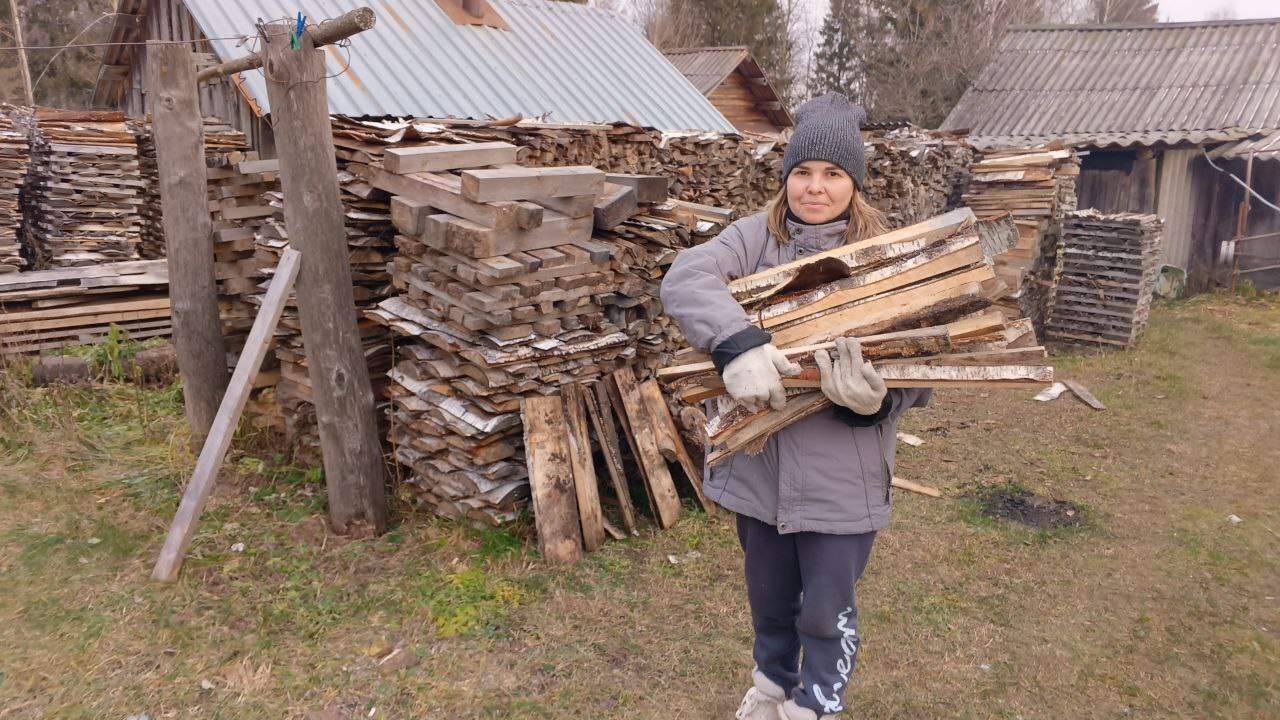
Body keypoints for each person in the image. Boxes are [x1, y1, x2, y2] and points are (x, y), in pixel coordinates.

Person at [659, 92, 933, 720]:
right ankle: (772, 686)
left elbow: (922, 364)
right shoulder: (753, 240)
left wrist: (876, 404)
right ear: (784, 180)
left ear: (854, 183)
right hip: (761, 469)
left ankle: (815, 704)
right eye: (803, 173)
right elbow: (687, 277)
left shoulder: (889, 255)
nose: (815, 188)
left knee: (824, 608)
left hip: (845, 479)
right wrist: (736, 344)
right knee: (770, 599)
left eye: (833, 174)